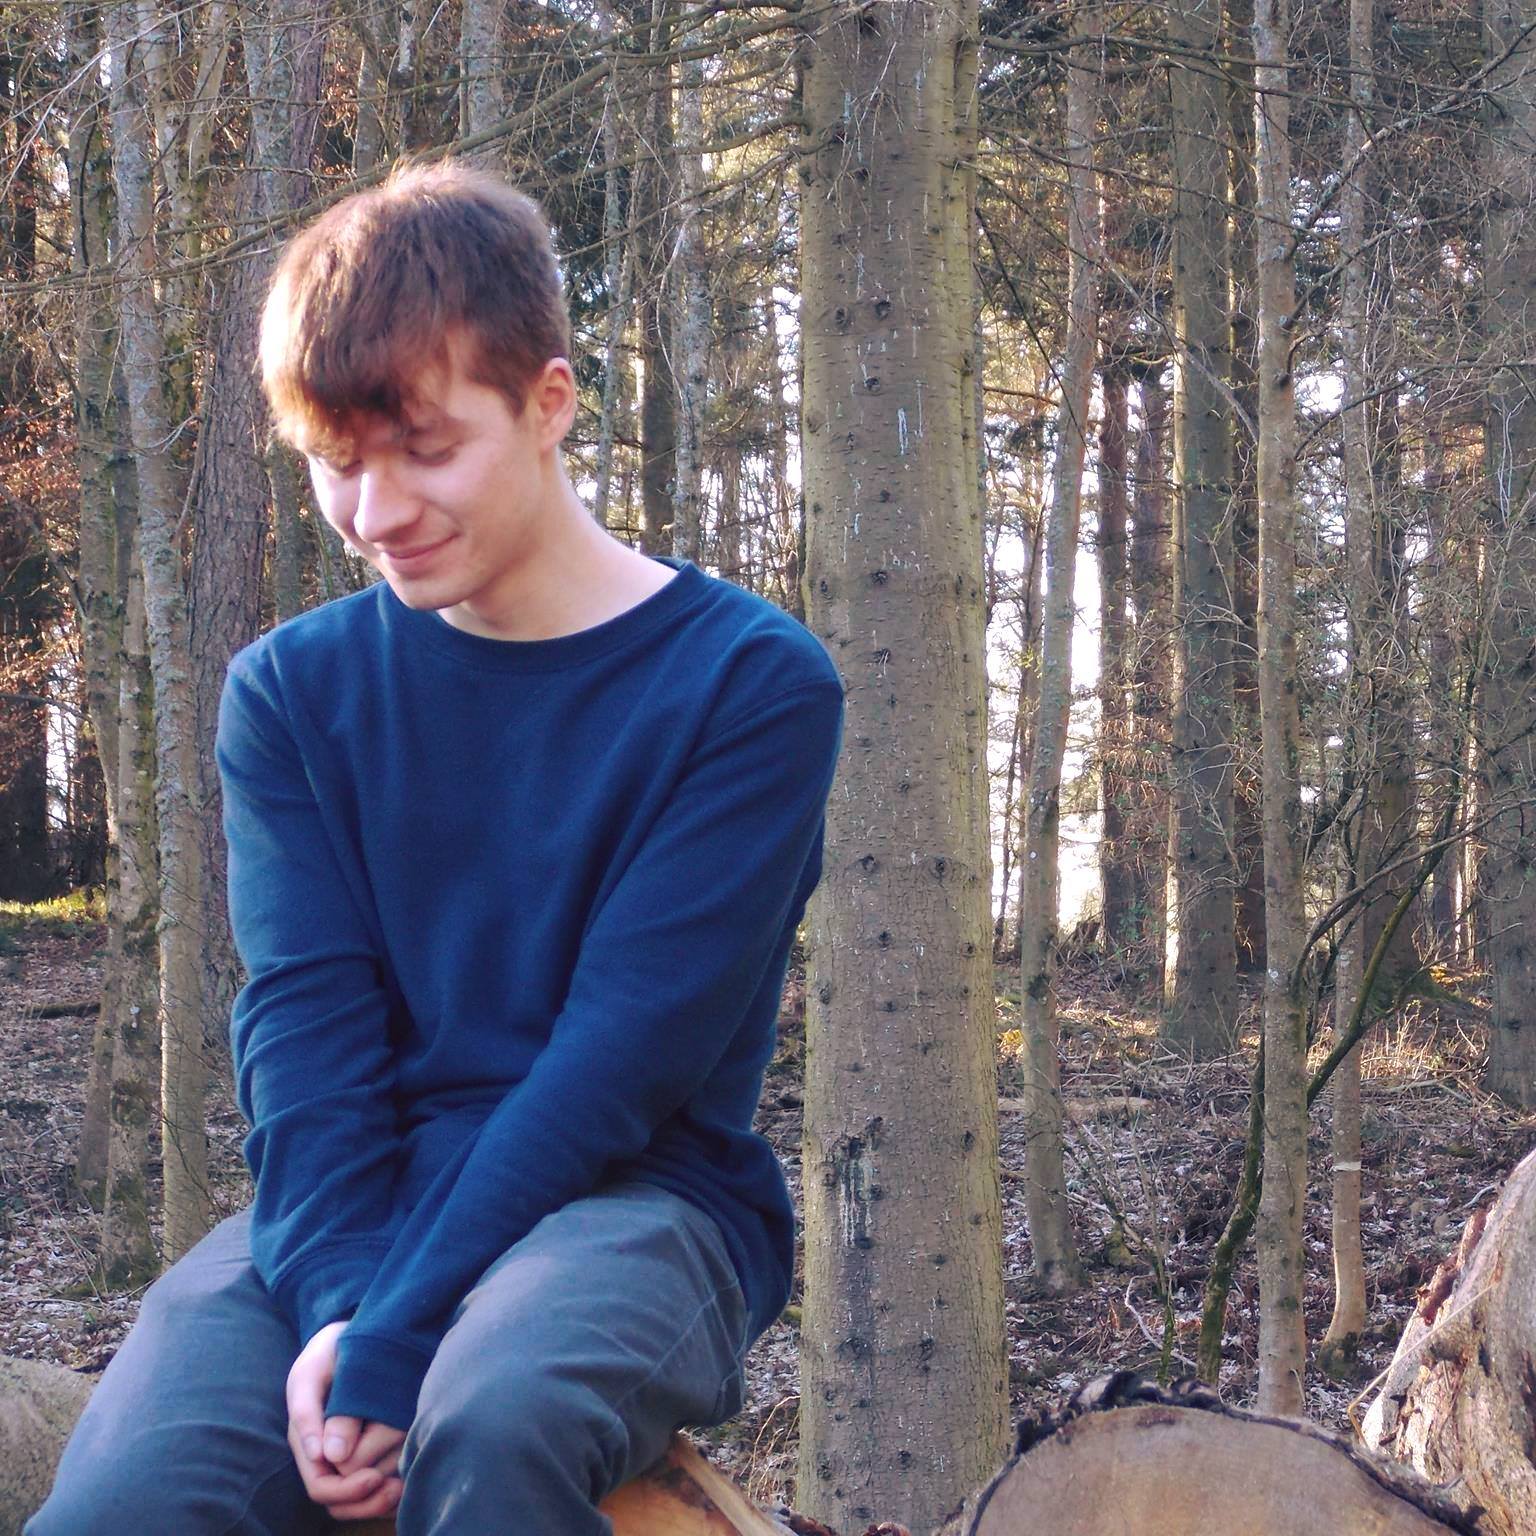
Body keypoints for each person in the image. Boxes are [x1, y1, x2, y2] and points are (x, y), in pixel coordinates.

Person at [29, 161, 844, 1534]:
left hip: (638, 1200)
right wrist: (345, 1308)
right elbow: (306, 1042)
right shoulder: (291, 695)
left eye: (425, 450)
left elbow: (618, 1067)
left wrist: (397, 1340)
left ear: (550, 403)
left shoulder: (749, 688)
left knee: (492, 1424)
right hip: (348, 1208)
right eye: (337, 464)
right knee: (133, 1499)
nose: (377, 512)